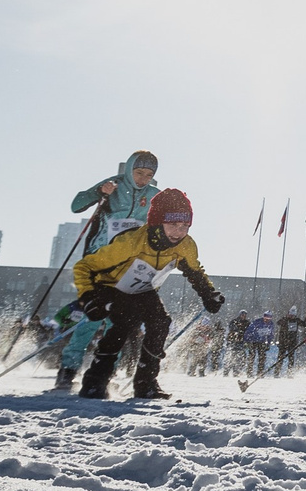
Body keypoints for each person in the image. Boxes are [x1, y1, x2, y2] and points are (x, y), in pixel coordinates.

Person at [71, 186, 223, 400]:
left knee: (161, 323)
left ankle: (146, 383)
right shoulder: (132, 242)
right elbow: (84, 267)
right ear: (158, 222)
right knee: (123, 325)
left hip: (143, 289)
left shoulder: (186, 245)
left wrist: (208, 293)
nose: (178, 232)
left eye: (184, 226)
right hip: (112, 286)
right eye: (173, 225)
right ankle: (95, 382)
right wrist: (89, 297)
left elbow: (195, 272)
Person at [57, 150, 163, 391]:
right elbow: (76, 205)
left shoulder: (154, 196)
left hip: (129, 265)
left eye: (148, 175)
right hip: (101, 260)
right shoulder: (114, 184)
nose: (143, 179)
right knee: (91, 317)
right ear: (129, 170)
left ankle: (106, 370)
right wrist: (99, 192)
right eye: (139, 173)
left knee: (120, 322)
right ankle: (68, 369)